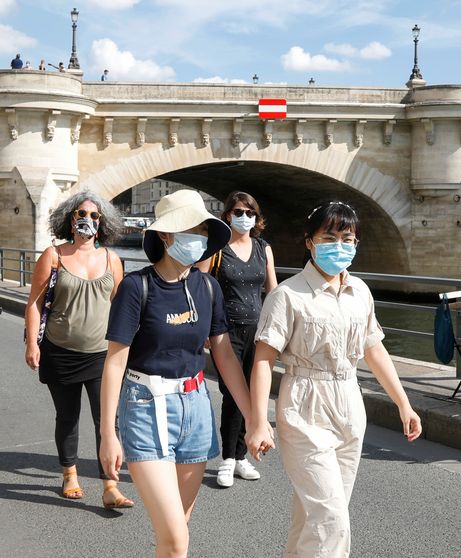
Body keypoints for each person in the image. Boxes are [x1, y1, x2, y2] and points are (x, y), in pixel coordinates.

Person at [246, 200, 422, 557]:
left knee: (315, 516)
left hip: (349, 402)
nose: (339, 245)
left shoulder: (360, 292)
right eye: (329, 236)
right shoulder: (287, 295)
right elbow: (263, 361)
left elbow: (374, 350)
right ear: (309, 241)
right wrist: (258, 422)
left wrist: (404, 403)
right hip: (303, 405)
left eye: (347, 237)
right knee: (331, 520)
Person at [99, 190, 269, 557]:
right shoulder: (136, 287)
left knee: (177, 533)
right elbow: (115, 361)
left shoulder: (207, 287)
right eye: (189, 228)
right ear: (164, 235)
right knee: (176, 539)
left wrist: (256, 420)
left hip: (195, 406)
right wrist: (107, 433)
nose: (199, 237)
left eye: (203, 229)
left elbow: (223, 355)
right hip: (145, 406)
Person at [23, 190, 133, 509]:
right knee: (67, 418)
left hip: (102, 355)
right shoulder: (53, 255)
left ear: (103, 223)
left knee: (106, 420)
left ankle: (109, 485)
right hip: (60, 351)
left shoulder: (112, 259)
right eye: (81, 215)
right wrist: (33, 342)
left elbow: (120, 307)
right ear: (69, 219)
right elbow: (34, 302)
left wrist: (125, 347)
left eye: (94, 216)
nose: (87, 220)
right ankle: (69, 473)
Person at [196, 191, 277, 488]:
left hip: (259, 332)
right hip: (225, 332)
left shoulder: (263, 248)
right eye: (239, 211)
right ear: (227, 214)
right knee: (233, 394)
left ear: (257, 217)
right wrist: (204, 328)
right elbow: (200, 287)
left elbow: (273, 291)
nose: (245, 217)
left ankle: (241, 456)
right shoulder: (215, 249)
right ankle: (228, 459)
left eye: (250, 212)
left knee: (254, 392)